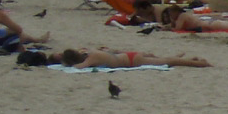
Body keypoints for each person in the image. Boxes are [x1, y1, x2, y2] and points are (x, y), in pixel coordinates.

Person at [50, 48, 213, 69]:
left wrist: (66, 66)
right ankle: (193, 58)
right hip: (129, 56)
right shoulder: (90, 53)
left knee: (170, 62)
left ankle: (200, 64)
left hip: (133, 61)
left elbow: (79, 67)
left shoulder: (90, 59)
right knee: (165, 60)